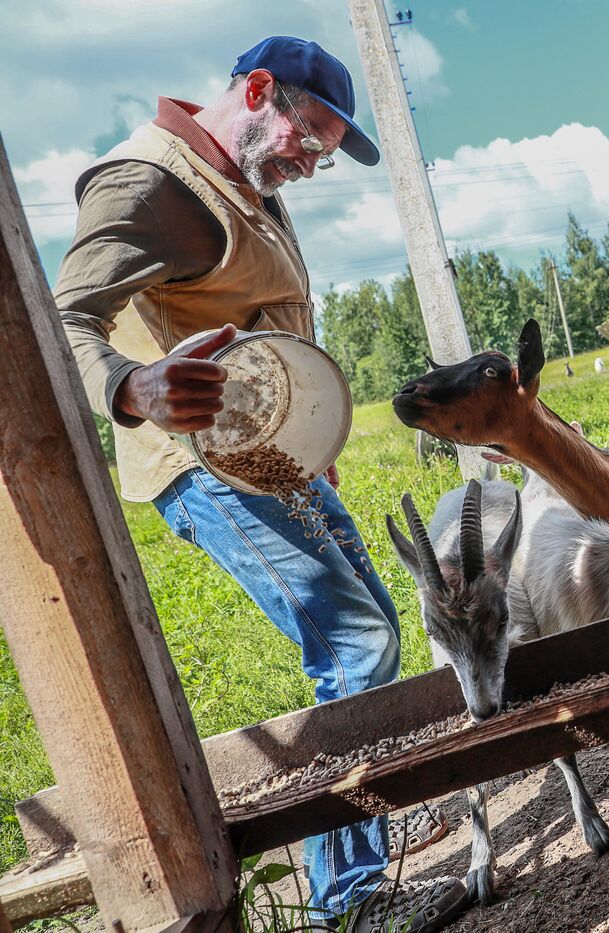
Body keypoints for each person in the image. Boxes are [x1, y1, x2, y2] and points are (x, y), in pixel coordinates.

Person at [53, 36, 466, 932]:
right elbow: (62, 322)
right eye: (308, 135)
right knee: (354, 646)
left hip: (272, 454)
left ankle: (360, 816)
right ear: (258, 89)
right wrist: (134, 386)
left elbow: (268, 314)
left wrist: (311, 437)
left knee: (376, 632)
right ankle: (349, 901)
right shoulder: (147, 183)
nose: (312, 163)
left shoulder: (252, 179)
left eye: (323, 151)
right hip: (205, 464)